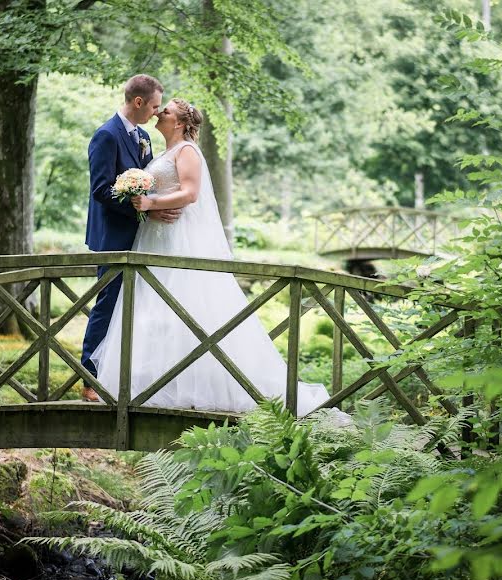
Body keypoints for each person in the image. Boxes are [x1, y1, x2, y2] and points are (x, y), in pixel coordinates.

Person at [90, 98, 329, 416]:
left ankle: (201, 384)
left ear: (178, 122)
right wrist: (144, 201)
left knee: (186, 306)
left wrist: (150, 205)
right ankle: (154, 383)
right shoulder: (161, 152)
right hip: (153, 240)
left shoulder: (187, 151)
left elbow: (190, 193)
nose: (160, 112)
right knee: (155, 311)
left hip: (178, 240)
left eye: (167, 110)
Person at [80, 75, 182, 403]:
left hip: (140, 237)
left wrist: (156, 206)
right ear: (138, 102)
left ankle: (123, 375)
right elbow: (101, 190)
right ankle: (88, 379)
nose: (156, 113)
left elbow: (146, 183)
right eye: (153, 106)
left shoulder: (141, 137)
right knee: (107, 305)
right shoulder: (106, 136)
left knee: (136, 309)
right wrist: (147, 211)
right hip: (113, 237)